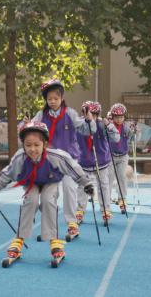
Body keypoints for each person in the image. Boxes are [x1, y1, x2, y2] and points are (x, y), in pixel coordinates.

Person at [0, 122, 93, 265]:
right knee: (31, 200)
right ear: (23, 145)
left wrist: (86, 184)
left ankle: (55, 243)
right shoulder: (20, 158)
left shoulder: (56, 157)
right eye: (28, 145)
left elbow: (74, 168)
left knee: (48, 200)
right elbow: (6, 175)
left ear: (44, 144)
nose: (32, 149)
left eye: (36, 145)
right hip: (31, 183)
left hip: (50, 181)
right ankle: (19, 240)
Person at [24, 79, 96, 240]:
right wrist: (27, 125)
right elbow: (30, 131)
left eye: (55, 98)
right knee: (49, 196)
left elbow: (86, 130)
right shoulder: (41, 115)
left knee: (69, 190)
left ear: (62, 98)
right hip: (50, 162)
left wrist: (89, 120)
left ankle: (72, 224)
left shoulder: (69, 113)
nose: (52, 102)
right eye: (49, 99)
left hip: (69, 160)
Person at [75, 101, 119, 225]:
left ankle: (105, 209)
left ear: (98, 114)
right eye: (88, 114)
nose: (91, 117)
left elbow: (116, 138)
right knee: (82, 186)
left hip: (101, 161)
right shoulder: (79, 125)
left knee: (103, 186)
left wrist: (109, 126)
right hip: (84, 161)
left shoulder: (102, 125)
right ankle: (80, 211)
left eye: (94, 115)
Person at [106, 103, 136, 214]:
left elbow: (132, 138)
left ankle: (122, 198)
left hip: (123, 155)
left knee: (122, 177)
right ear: (112, 117)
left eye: (121, 117)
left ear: (124, 117)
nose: (119, 119)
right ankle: (106, 199)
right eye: (116, 117)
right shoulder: (109, 126)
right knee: (109, 178)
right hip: (110, 156)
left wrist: (134, 131)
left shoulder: (126, 126)